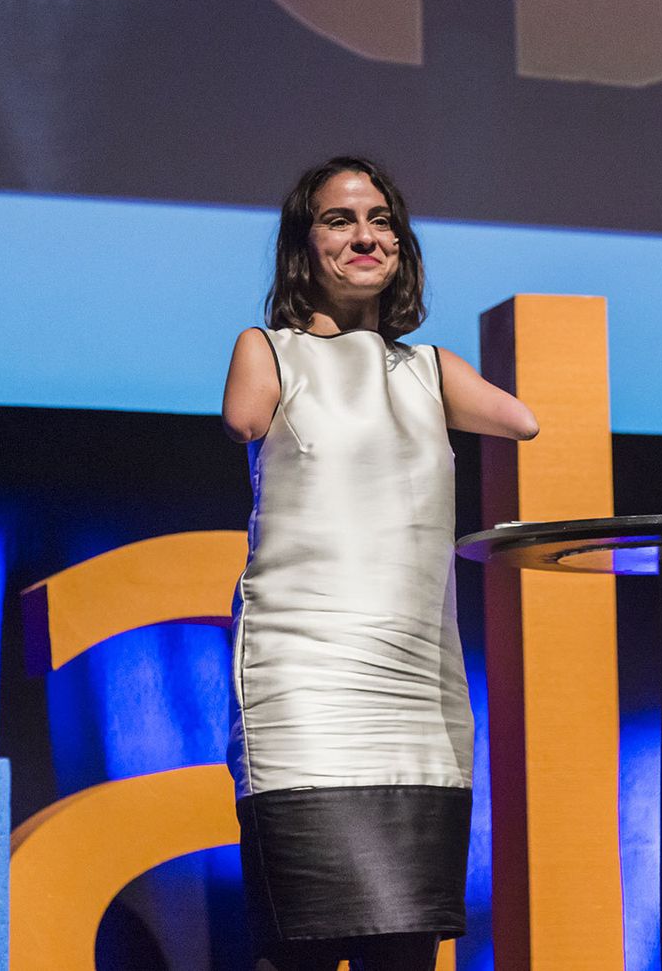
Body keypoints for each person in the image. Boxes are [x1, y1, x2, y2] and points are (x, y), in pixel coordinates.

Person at [221, 155, 538, 971]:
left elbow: (523, 422)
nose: (365, 236)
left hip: (416, 690)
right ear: (304, 244)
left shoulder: (429, 369)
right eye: (340, 220)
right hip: (305, 675)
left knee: (405, 939)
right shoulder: (269, 351)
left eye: (381, 221)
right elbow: (243, 417)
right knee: (300, 936)